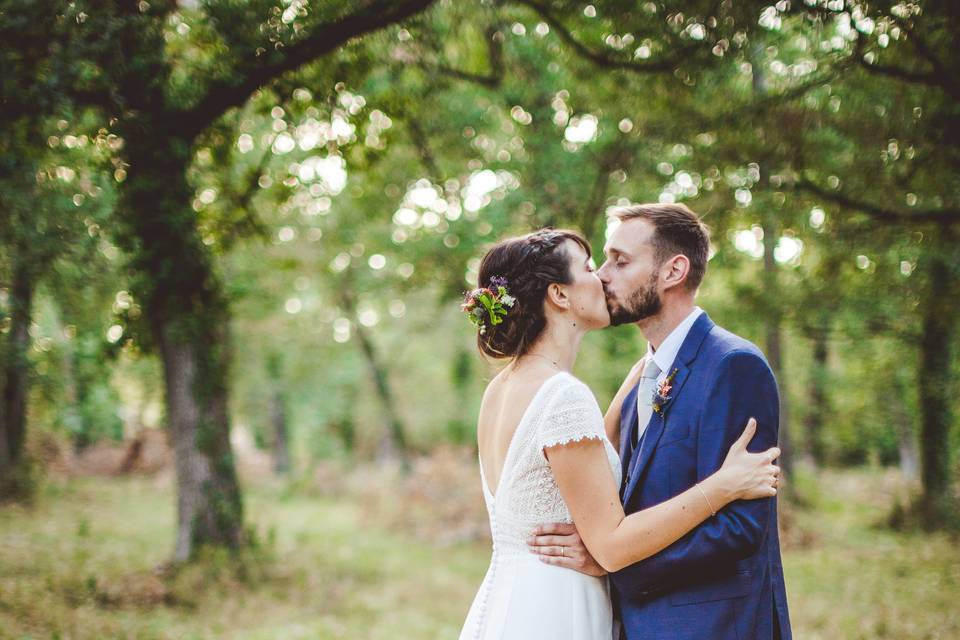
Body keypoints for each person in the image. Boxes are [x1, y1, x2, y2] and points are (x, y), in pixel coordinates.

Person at [457, 226, 781, 640]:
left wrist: (639, 379)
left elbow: (580, 459)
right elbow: (610, 545)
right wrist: (722, 486)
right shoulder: (562, 395)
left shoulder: (504, 388)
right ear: (560, 295)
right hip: (559, 606)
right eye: (591, 267)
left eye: (615, 262)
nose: (603, 277)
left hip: (512, 600)